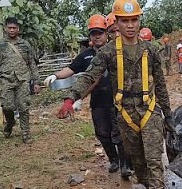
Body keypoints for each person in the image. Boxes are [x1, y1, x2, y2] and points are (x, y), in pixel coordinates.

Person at [56, 0, 175, 189]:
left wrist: (168, 115)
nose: (130, 25)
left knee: (153, 159)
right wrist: (71, 98)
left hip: (149, 110)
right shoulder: (107, 52)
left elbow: (160, 84)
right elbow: (90, 76)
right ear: (116, 24)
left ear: (139, 20)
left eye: (134, 20)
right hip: (125, 115)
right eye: (125, 21)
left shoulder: (150, 50)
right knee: (138, 164)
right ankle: (152, 188)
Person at [44, 14, 134, 178]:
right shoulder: (85, 56)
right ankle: (113, 160)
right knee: (102, 133)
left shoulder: (116, 51)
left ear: (106, 33)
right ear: (90, 36)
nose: (97, 36)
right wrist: (56, 76)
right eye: (94, 33)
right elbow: (71, 70)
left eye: (100, 32)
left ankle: (125, 165)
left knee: (119, 134)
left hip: (117, 101)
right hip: (98, 102)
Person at [0, 16, 41, 144]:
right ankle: (10, 122)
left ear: (18, 29)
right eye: (9, 28)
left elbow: (32, 64)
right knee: (7, 106)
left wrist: (36, 81)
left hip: (23, 79)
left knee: (23, 106)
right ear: (5, 28)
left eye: (14, 28)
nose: (12, 30)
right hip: (6, 79)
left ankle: (26, 134)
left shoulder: (25, 44)